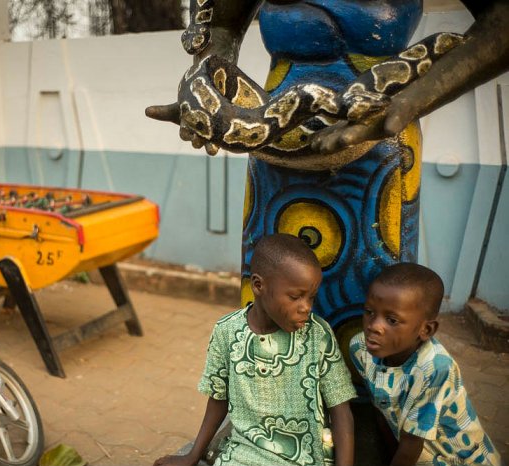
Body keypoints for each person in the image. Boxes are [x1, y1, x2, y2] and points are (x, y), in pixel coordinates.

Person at [146, 1, 509, 350]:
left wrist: (407, 104)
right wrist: (206, 98)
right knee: (269, 298)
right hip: (272, 163)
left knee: (372, 302)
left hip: (378, 157)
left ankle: (363, 408)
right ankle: (260, 395)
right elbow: (219, 25)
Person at [154, 233, 357, 466]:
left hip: (304, 460)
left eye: (311, 297)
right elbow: (218, 399)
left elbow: (341, 410)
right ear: (258, 285)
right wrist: (193, 455)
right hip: (242, 456)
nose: (306, 307)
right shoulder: (227, 332)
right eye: (295, 297)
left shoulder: (317, 334)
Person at [349, 263, 502, 466]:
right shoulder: (360, 349)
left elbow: (411, 446)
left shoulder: (435, 369)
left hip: (460, 460)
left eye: (392, 320)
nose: (374, 326)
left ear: (426, 330)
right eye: (369, 312)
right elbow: (382, 409)